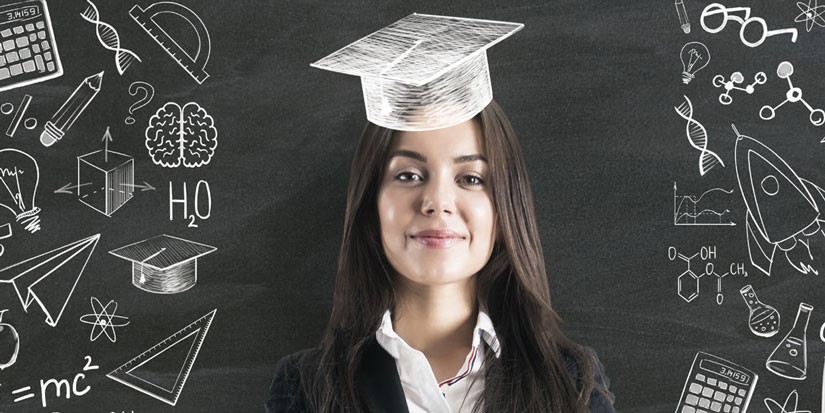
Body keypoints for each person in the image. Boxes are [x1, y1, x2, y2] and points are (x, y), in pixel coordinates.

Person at [266, 100, 616, 412]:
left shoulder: (571, 382)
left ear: (505, 209)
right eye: (408, 175)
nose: (438, 201)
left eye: (470, 178)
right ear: (372, 206)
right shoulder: (306, 389)